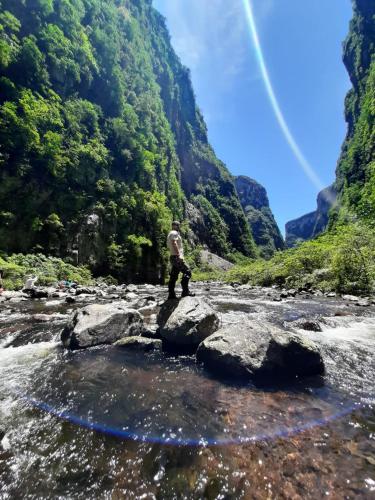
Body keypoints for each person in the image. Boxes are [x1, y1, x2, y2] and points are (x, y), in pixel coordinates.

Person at [167, 220, 195, 300]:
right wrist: (178, 255)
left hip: (173, 257)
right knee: (188, 272)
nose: (178, 227)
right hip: (176, 257)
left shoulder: (171, 233)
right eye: (177, 225)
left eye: (178, 225)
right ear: (174, 226)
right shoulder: (174, 233)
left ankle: (171, 295)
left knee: (173, 276)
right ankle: (185, 292)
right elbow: (174, 243)